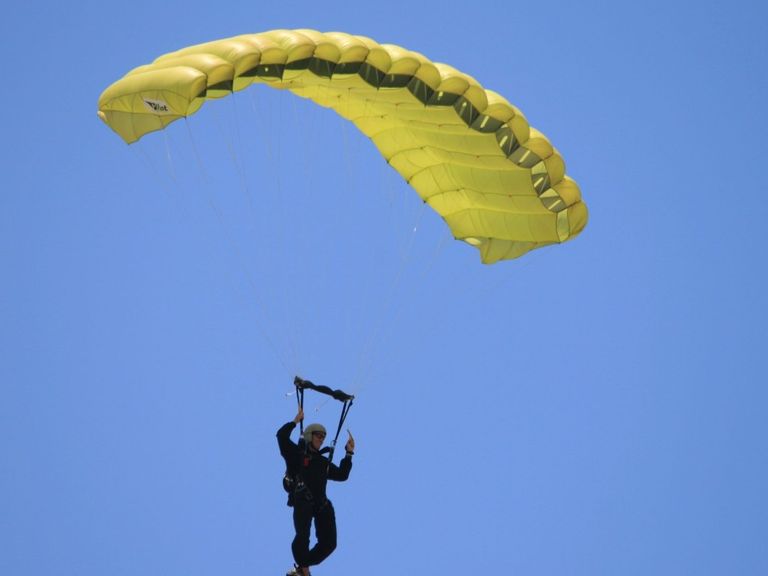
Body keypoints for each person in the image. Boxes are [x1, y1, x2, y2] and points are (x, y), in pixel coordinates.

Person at [277, 407, 355, 576]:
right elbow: (281, 437)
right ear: (309, 436)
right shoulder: (296, 454)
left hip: (321, 506)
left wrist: (349, 453)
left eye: (323, 436)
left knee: (329, 544)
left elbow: (342, 475)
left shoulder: (322, 463)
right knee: (303, 536)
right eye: (318, 435)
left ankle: (303, 566)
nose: (322, 438)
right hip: (303, 500)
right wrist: (295, 421)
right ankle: (303, 568)